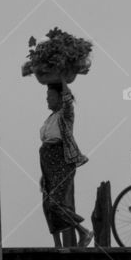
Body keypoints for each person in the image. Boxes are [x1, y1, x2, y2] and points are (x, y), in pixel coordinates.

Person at [39, 80, 93, 248]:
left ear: (59, 98)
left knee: (55, 203)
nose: (47, 100)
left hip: (62, 161)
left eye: (50, 96)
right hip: (48, 164)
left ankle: (83, 231)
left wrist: (61, 77)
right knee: (47, 205)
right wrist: (43, 174)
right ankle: (57, 245)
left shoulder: (65, 114)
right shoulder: (50, 118)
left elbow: (68, 100)